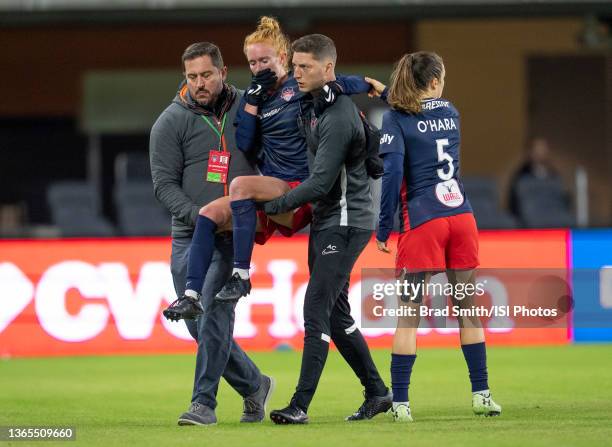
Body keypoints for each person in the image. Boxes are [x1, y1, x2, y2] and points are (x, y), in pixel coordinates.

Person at [162, 16, 374, 314]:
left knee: (240, 186)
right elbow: (246, 142)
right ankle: (191, 296)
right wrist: (253, 101)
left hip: (301, 187)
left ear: (283, 58)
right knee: (209, 213)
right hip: (273, 189)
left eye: (264, 60)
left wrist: (367, 83)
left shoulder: (300, 87)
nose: (258, 68)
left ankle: (241, 275)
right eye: (252, 63)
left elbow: (336, 83)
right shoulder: (253, 97)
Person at [261, 34, 392, 424]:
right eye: (296, 66)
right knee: (335, 315)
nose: (297, 74)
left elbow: (319, 183)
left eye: (305, 68)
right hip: (327, 221)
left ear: (327, 69)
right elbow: (345, 83)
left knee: (315, 307)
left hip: (347, 222)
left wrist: (274, 206)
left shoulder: (336, 117)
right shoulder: (318, 100)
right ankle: (378, 392)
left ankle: (300, 405)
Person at [371, 51, 502, 422]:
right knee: (468, 313)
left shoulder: (395, 121)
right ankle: (482, 395)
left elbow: (392, 174)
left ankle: (401, 405)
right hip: (461, 217)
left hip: (423, 221)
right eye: (441, 77)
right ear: (433, 82)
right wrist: (388, 96)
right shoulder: (452, 113)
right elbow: (424, 113)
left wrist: (385, 227)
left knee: (408, 317)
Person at [150, 42, 273, 426]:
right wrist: (202, 216)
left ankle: (203, 403)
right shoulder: (170, 122)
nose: (199, 83)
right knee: (196, 323)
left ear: (223, 71)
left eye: (206, 74)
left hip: (234, 233)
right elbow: (164, 185)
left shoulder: (249, 108)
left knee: (216, 315)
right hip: (190, 234)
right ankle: (255, 384)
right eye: (191, 77)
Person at [508, 136, 565, 217]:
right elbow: (514, 204)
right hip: (530, 222)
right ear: (530, 152)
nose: (540, 153)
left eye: (543, 149)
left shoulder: (554, 175)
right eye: (537, 149)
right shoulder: (521, 175)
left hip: (553, 218)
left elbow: (561, 201)